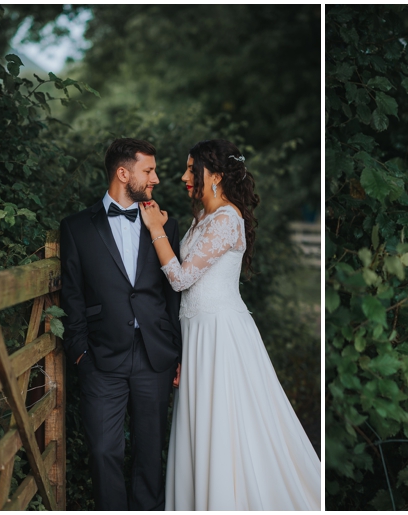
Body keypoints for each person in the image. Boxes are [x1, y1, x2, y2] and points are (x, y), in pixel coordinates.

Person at [139, 139, 321, 510]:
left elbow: (180, 279)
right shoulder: (201, 218)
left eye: (193, 170)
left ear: (217, 176)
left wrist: (155, 228)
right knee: (201, 425)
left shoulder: (226, 218)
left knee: (226, 423)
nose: (184, 176)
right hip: (197, 334)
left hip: (221, 335)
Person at [59, 138, 182, 510]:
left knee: (149, 456)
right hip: (99, 358)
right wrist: (80, 352)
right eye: (149, 170)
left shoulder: (166, 224)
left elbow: (172, 294)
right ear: (123, 173)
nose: (156, 179)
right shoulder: (76, 227)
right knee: (102, 452)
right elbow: (73, 296)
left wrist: (176, 351)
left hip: (154, 357)